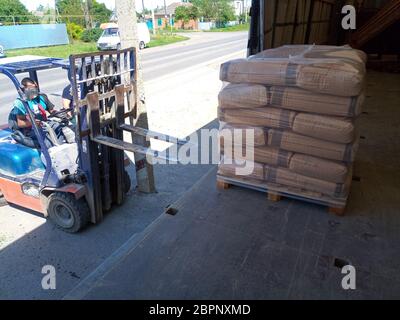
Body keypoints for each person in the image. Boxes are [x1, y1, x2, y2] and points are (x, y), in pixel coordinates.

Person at [8, 78, 64, 148]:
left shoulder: (42, 97)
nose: (34, 90)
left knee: (62, 128)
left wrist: (60, 113)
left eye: (35, 87)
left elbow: (52, 111)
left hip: (44, 124)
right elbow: (20, 123)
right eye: (31, 88)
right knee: (47, 140)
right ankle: (49, 155)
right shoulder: (20, 103)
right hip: (30, 128)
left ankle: (61, 149)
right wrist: (33, 122)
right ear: (24, 89)